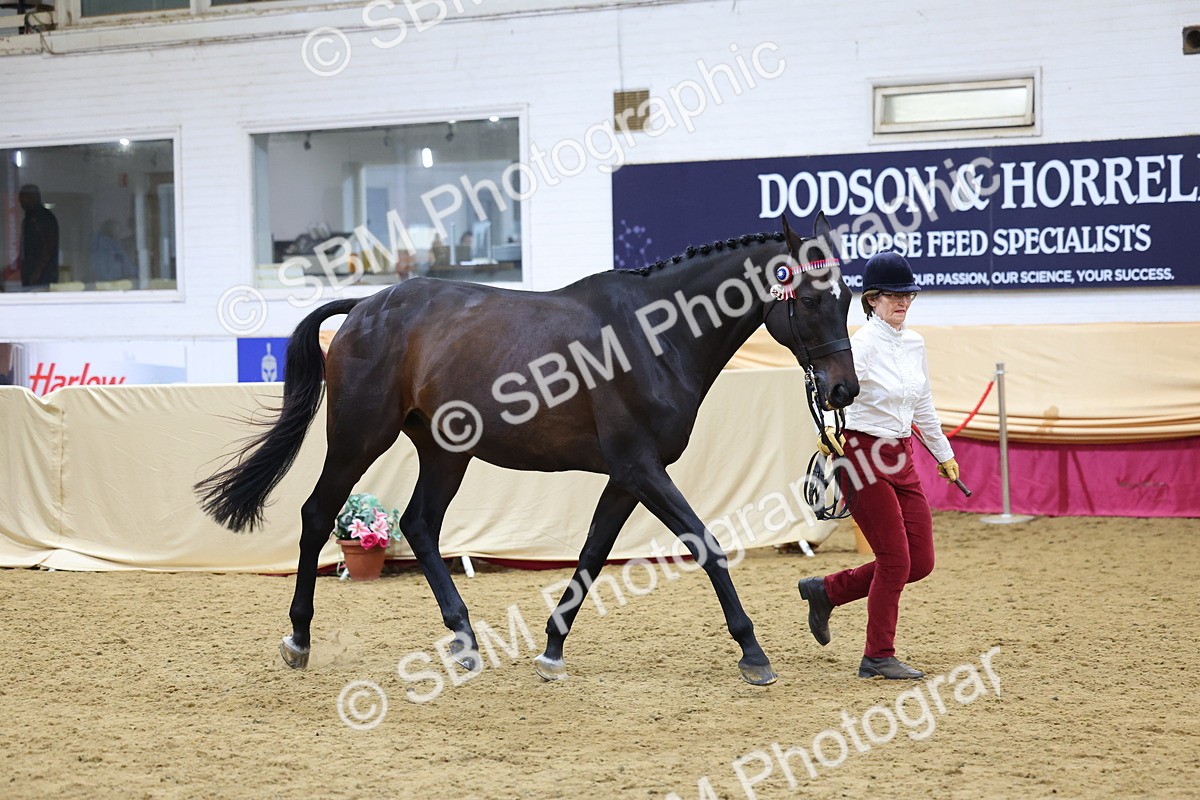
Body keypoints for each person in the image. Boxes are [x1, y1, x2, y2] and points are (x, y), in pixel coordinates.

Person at [798, 251, 960, 680]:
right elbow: (832, 390)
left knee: (920, 561)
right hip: (862, 456)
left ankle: (827, 590)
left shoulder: (915, 343)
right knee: (894, 560)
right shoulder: (860, 346)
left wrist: (944, 454)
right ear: (872, 300)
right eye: (891, 295)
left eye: (906, 295)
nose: (901, 302)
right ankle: (877, 656)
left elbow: (921, 402)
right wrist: (829, 430)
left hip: (902, 456)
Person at [18, 184, 59, 289]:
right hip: (29, 273)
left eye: (24, 197)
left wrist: (38, 271)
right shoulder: (28, 219)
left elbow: (49, 245)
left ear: (34, 197)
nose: (21, 201)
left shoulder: (43, 218)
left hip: (43, 275)